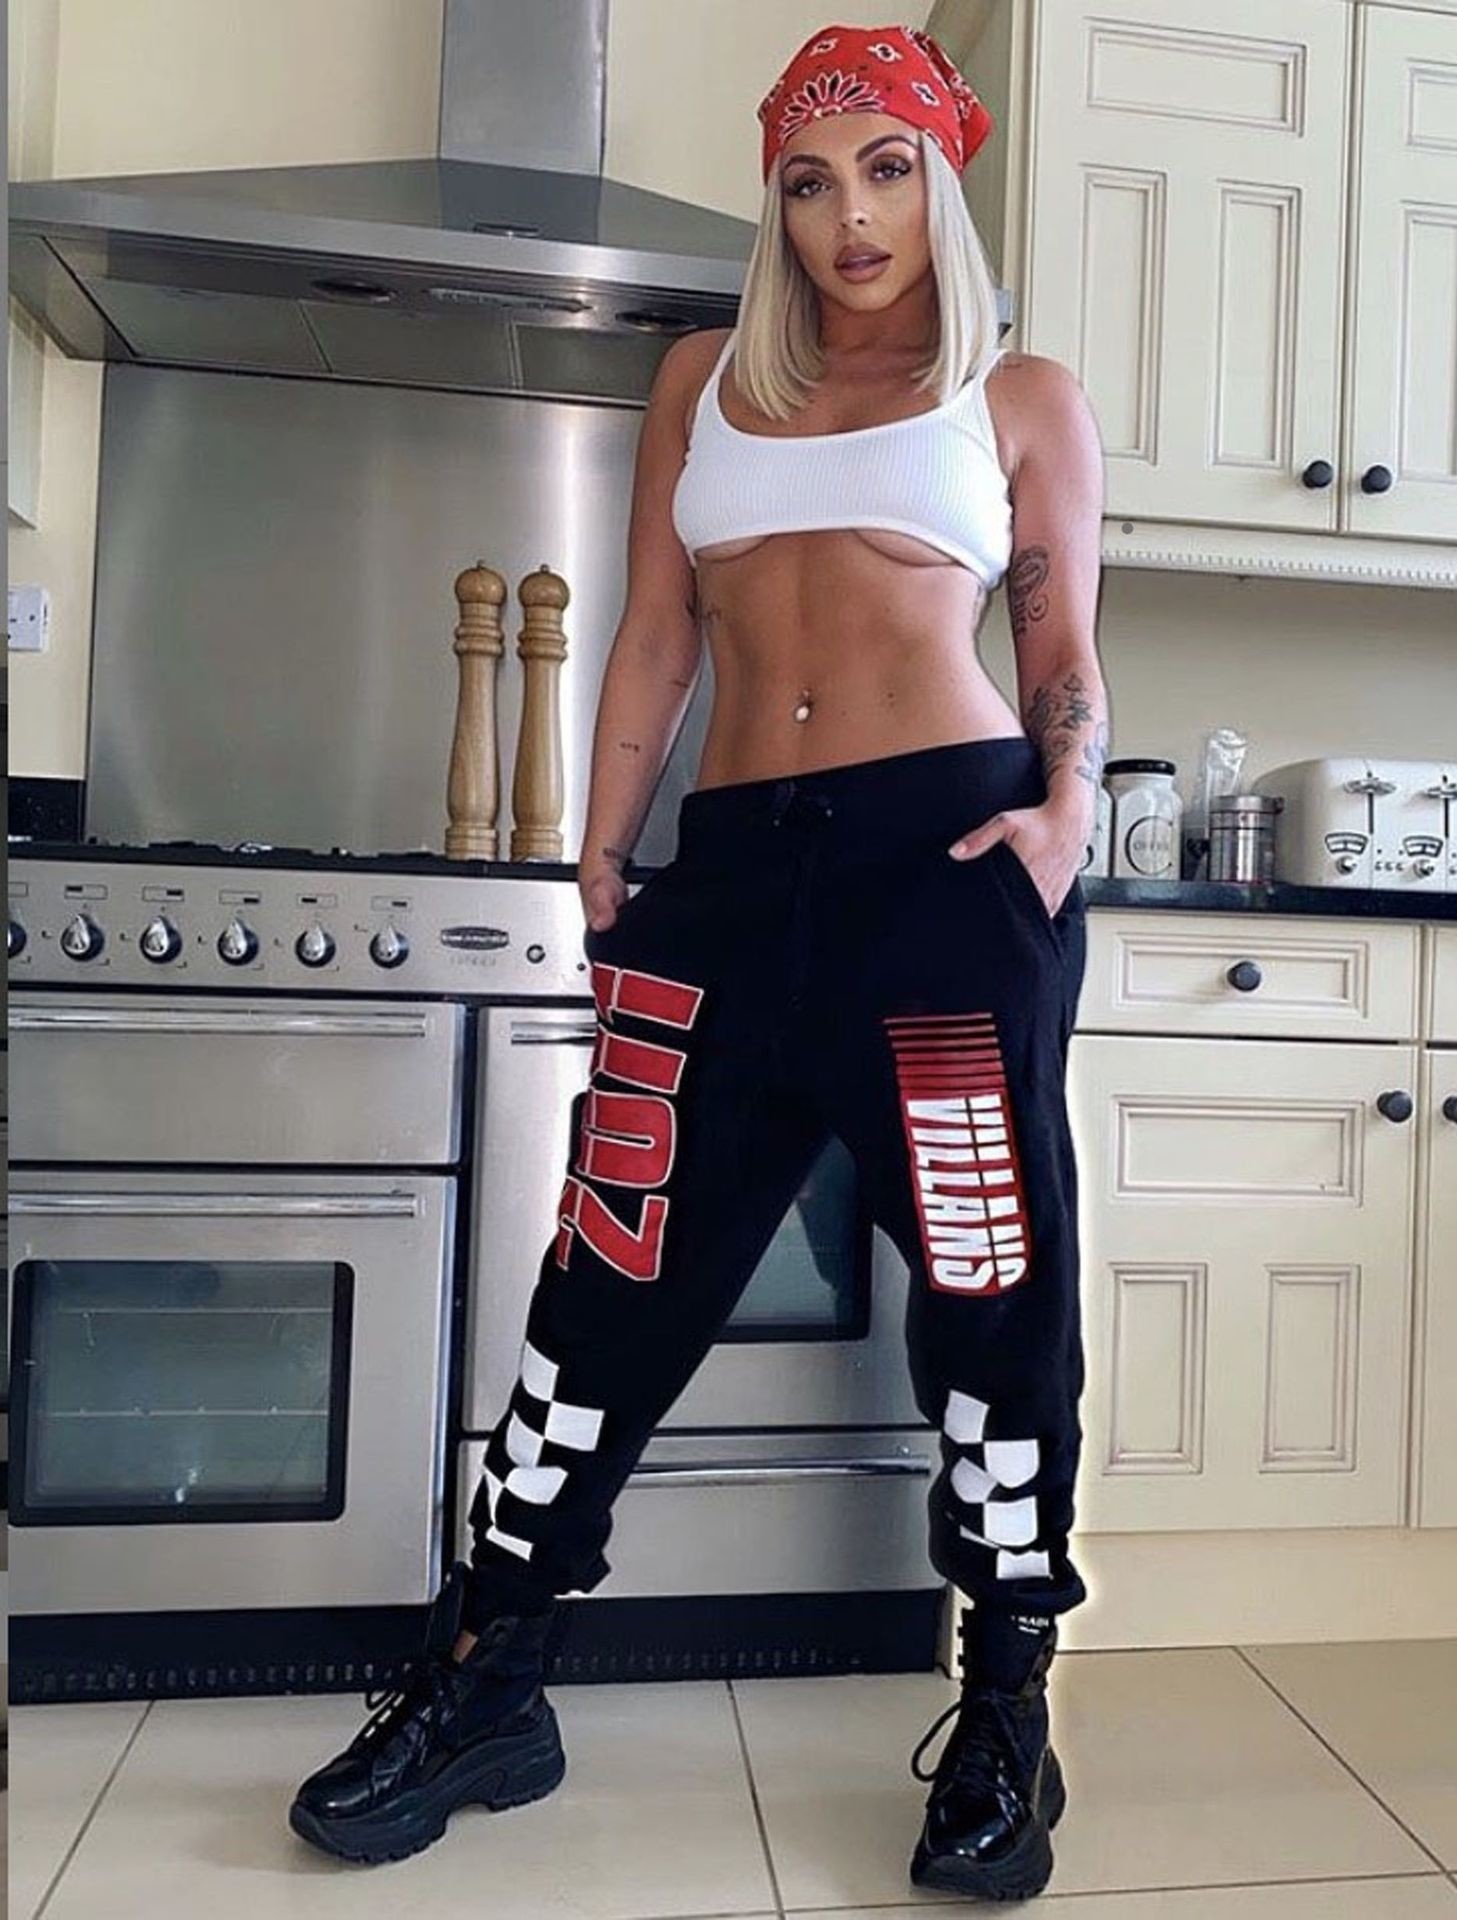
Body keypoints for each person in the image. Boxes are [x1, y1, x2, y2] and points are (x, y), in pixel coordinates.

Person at [289, 21, 1108, 1903]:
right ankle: (487, 1682)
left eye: (886, 172)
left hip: (944, 877)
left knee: (992, 1287)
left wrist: (1067, 813)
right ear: (776, 207)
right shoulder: (702, 384)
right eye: (810, 182)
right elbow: (657, 633)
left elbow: (1062, 641)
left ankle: (1006, 1711)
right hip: (726, 885)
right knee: (609, 1282)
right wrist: (601, 857)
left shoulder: (1015, 393)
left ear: (943, 182)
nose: (850, 218)